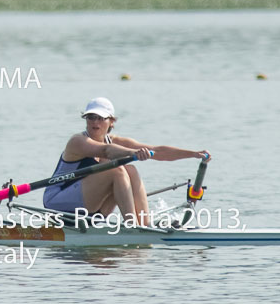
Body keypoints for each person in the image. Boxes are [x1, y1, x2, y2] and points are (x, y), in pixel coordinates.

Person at [43, 97, 209, 227]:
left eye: (100, 118)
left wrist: (193, 154)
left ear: (111, 121)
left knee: (131, 170)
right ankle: (132, 227)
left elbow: (158, 151)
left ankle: (144, 225)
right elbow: (106, 151)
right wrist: (134, 153)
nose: (95, 122)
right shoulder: (78, 141)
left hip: (88, 208)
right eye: (91, 117)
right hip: (58, 204)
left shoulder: (116, 140)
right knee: (117, 171)